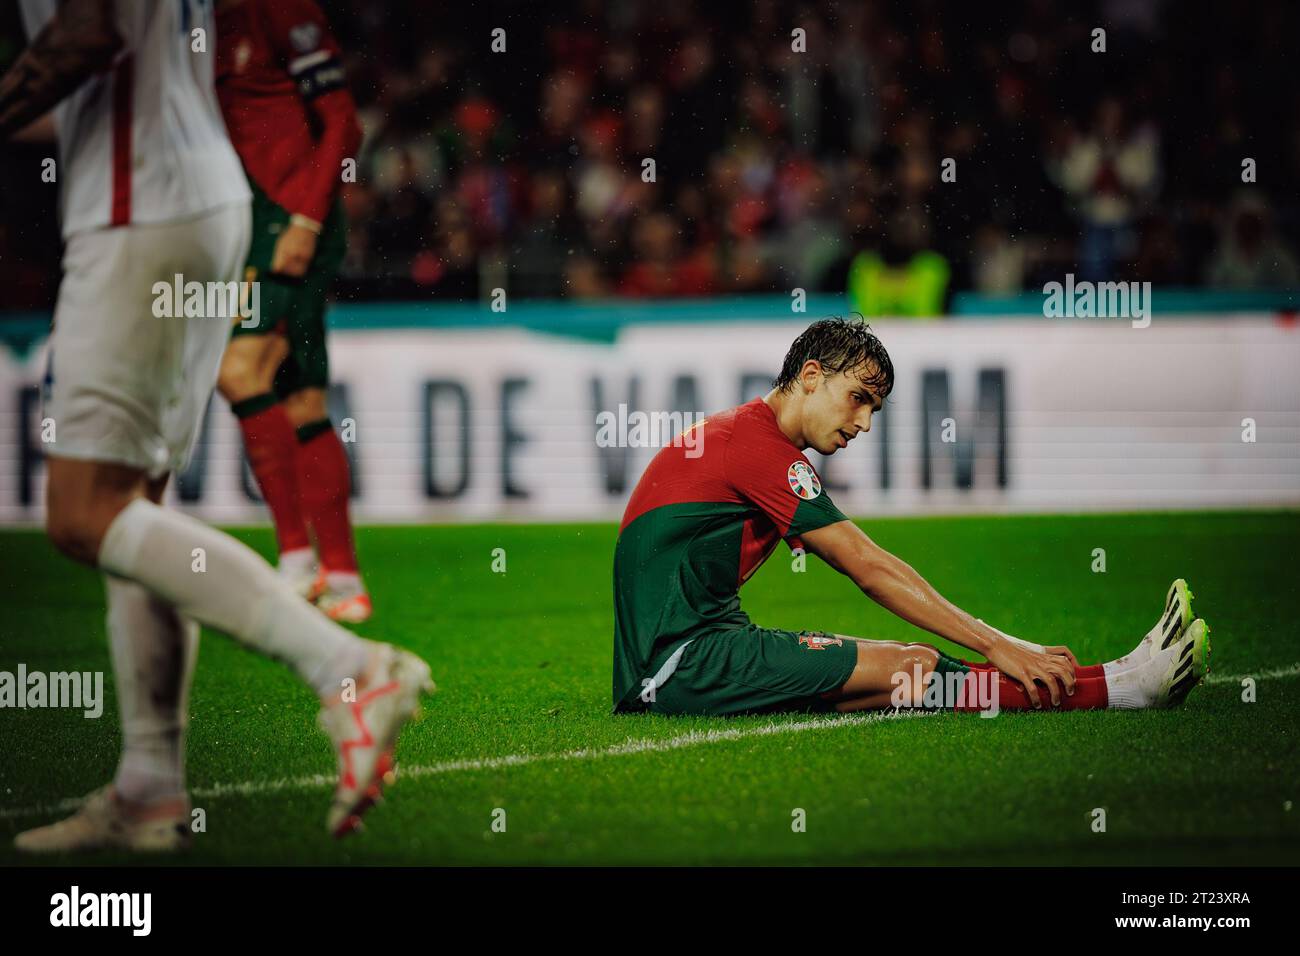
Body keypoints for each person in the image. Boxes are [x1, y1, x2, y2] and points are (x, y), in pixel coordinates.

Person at [0, 0, 431, 852]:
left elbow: (89, 33)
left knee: (84, 513)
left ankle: (347, 666)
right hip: (202, 202)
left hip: (142, 207)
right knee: (136, 506)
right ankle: (150, 786)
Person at [612, 317, 1209, 716]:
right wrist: (997, 643)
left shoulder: (746, 437)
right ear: (812, 377)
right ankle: (1124, 687)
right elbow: (867, 566)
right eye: (858, 398)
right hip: (682, 661)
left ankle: (1108, 679)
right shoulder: (757, 445)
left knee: (906, 679)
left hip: (680, 655)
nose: (864, 423)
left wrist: (1008, 643)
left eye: (875, 408)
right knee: (914, 668)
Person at [214, 0, 370, 621]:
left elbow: (342, 122)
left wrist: (304, 219)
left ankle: (296, 562)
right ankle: (342, 579)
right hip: (246, 225)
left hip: (289, 219)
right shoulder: (190, 25)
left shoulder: (277, 8)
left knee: (238, 369)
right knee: (300, 398)